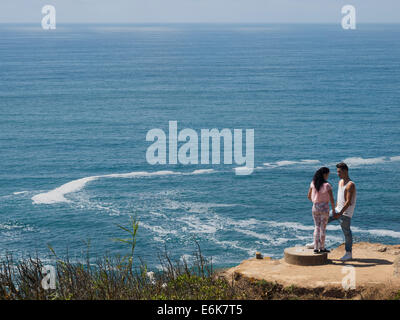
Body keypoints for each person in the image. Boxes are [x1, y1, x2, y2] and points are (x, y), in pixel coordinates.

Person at [328, 162, 357, 261]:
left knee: (347, 233)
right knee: (322, 221)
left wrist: (339, 213)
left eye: (339, 172)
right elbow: (339, 198)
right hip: (337, 210)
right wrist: (335, 209)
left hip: (345, 214)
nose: (338, 174)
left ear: (345, 171)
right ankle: (317, 243)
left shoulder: (350, 185)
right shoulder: (340, 181)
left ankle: (348, 253)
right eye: (337, 172)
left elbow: (348, 202)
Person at [307, 167, 335, 254]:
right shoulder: (327, 185)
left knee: (316, 227)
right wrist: (334, 209)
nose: (328, 176)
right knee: (323, 228)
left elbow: (308, 196)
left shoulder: (313, 183)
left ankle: (316, 248)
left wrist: (316, 201)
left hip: (315, 207)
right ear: (324, 174)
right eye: (327, 174)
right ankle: (322, 248)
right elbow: (331, 199)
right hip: (325, 208)